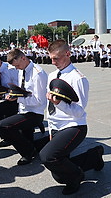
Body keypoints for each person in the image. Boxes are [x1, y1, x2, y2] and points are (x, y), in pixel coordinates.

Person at [39, 40, 104, 195]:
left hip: (73, 125)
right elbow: (50, 105)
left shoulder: (78, 78)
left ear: (67, 54)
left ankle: (77, 176)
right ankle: (94, 156)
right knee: (59, 175)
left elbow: (79, 111)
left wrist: (60, 103)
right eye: (51, 58)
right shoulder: (53, 75)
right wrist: (51, 129)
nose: (52, 62)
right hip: (56, 125)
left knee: (47, 157)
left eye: (56, 58)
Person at [0, 49, 47, 165]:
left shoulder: (38, 73)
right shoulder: (21, 70)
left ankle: (28, 152)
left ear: (23, 58)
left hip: (35, 112)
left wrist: (18, 99)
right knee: (27, 138)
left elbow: (39, 101)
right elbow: (22, 90)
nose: (17, 68)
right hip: (23, 109)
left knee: (4, 126)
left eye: (18, 65)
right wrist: (13, 94)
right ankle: (31, 148)